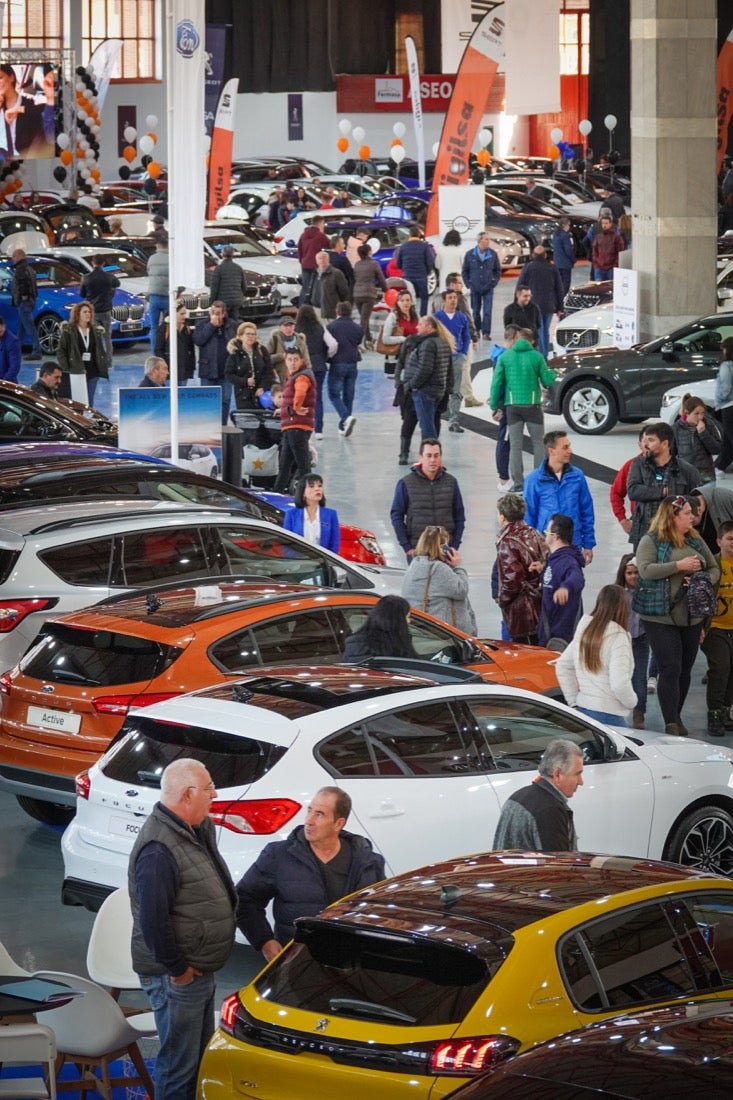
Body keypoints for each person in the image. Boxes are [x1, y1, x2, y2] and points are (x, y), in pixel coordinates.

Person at [129, 758, 237, 1100]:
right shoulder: (159, 850)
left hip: (196, 970)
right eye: (208, 788)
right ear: (189, 794)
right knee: (179, 1068)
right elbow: (153, 921)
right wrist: (179, 971)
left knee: (196, 1061)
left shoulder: (194, 829)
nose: (214, 794)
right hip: (176, 975)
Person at [236, 786, 386, 960]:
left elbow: (381, 912)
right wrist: (264, 941)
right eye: (309, 811)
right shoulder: (278, 855)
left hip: (351, 964)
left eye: (319, 814)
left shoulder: (368, 862)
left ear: (339, 823)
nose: (309, 821)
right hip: (296, 964)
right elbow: (245, 900)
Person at [636, 496, 719, 736]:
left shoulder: (695, 538)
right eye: (686, 513)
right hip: (659, 616)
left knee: (685, 668)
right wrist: (678, 566)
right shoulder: (651, 540)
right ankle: (670, 722)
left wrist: (701, 579)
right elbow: (645, 570)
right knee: (670, 667)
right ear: (672, 516)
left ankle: (677, 715)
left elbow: (714, 568)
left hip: (692, 616)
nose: (692, 517)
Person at [556, 585, 637, 726]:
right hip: (611, 716)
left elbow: (562, 665)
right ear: (622, 607)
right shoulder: (619, 637)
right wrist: (632, 702)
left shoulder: (585, 630)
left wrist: (573, 702)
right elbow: (619, 684)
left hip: (584, 712)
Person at [489, 326, 558, 492]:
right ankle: (539, 480)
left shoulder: (505, 357)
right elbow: (547, 380)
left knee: (515, 446)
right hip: (533, 405)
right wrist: (554, 373)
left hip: (512, 407)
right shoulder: (537, 356)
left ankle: (518, 483)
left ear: (517, 338)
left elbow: (496, 382)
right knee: (538, 444)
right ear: (532, 340)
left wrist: (493, 405)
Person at [492, 739, 583, 852]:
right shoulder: (550, 810)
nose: (580, 782)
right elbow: (557, 866)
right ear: (557, 774)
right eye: (577, 774)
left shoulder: (518, 796)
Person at [524, 431, 596, 563]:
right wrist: (532, 548)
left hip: (573, 543)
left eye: (569, 446)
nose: (570, 451)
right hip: (546, 546)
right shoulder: (534, 480)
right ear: (551, 451)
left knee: (572, 581)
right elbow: (529, 516)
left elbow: (587, 511)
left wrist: (588, 543)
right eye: (565, 447)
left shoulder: (577, 476)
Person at [627, 421, 700, 549]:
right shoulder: (638, 464)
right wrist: (663, 493)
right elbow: (633, 491)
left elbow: (696, 499)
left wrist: (677, 504)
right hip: (644, 532)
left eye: (651, 440)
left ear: (665, 443)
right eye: (645, 440)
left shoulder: (687, 470)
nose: (645, 444)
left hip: (674, 533)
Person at [390, 437, 465, 559]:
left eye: (436, 455)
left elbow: (459, 516)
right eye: (428, 455)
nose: (433, 460)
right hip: (418, 550)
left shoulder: (451, 482)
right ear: (421, 457)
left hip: (445, 550)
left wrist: (454, 545)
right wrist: (407, 547)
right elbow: (396, 515)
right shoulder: (406, 483)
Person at [401, 524, 475, 635]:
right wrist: (458, 566)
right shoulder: (438, 568)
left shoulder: (415, 564)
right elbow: (461, 590)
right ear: (441, 547)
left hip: (423, 629)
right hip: (443, 632)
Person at [494, 493, 546, 644]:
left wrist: (502, 600)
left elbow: (512, 580)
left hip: (522, 611)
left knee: (525, 650)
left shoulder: (507, 542)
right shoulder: (535, 534)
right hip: (540, 603)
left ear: (502, 517)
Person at [537, 513, 586, 648]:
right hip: (549, 631)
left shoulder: (569, 561)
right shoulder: (554, 559)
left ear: (556, 536)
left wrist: (566, 587)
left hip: (561, 638)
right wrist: (542, 569)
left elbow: (577, 577)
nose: (544, 535)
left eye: (547, 532)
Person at [702, 521, 733, 735]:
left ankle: (725, 711)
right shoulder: (712, 566)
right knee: (720, 668)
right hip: (716, 627)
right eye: (730, 539)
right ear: (719, 541)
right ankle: (714, 714)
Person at [401, 315, 452, 441]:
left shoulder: (427, 344)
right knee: (431, 424)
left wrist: (411, 385)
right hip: (438, 390)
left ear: (429, 327)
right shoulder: (443, 342)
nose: (417, 327)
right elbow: (449, 369)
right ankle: (429, 455)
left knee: (427, 428)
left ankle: (431, 456)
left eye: (421, 324)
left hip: (425, 391)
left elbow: (425, 369)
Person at [273, 348, 316, 493]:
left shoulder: (301, 377)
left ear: (302, 361)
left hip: (297, 426)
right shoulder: (294, 376)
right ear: (285, 361)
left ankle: (311, 495)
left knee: (303, 465)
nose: (292, 363)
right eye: (290, 360)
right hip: (292, 425)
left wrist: (296, 407)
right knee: (284, 465)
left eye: (295, 359)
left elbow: (300, 393)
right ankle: (277, 494)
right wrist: (284, 409)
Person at [615, 554, 650, 730]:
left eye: (636, 573)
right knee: (619, 676)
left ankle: (639, 712)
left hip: (641, 640)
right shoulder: (619, 594)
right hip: (621, 640)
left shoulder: (646, 592)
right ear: (623, 574)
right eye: (629, 573)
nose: (633, 576)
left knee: (639, 679)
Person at [295, 303, 336, 439]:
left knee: (300, 397)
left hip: (301, 369)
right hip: (319, 367)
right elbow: (333, 344)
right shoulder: (320, 328)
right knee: (317, 398)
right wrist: (326, 356)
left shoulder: (296, 330)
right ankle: (319, 430)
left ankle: (302, 427)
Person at [515, 246, 564, 358]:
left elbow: (520, 286)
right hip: (549, 305)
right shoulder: (552, 268)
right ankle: (544, 354)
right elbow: (559, 288)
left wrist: (518, 303)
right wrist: (560, 307)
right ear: (545, 255)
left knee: (539, 330)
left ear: (533, 255)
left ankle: (541, 356)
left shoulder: (528, 268)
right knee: (544, 330)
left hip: (533, 305)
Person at [434, 287, 471, 433]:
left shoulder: (462, 317)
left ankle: (454, 420)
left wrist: (463, 352)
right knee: (439, 389)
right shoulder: (437, 317)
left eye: (455, 298)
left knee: (456, 390)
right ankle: (434, 417)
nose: (453, 300)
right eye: (450, 298)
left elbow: (466, 336)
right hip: (441, 359)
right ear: (444, 300)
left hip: (457, 358)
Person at [193, 300, 237, 425]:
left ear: (223, 314)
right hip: (207, 370)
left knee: (225, 400)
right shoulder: (202, 324)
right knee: (207, 401)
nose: (215, 316)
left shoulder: (232, 325)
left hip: (226, 371)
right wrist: (211, 326)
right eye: (212, 312)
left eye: (218, 313)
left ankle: (222, 426)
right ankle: (207, 426)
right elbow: (199, 340)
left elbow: (235, 343)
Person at [56, 300, 108, 405]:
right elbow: (61, 350)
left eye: (89, 312)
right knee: (77, 401)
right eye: (85, 312)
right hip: (76, 370)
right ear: (77, 314)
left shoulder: (95, 331)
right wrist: (66, 368)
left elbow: (99, 350)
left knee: (89, 401)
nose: (88, 314)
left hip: (92, 371)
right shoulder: (69, 330)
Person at [342, 595, 419, 661]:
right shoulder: (399, 645)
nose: (409, 621)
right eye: (408, 617)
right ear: (398, 619)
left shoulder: (354, 642)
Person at [326, 300, 363, 437]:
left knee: (334, 394)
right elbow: (358, 341)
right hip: (353, 364)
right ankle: (344, 425)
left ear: (337, 312)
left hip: (337, 364)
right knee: (349, 395)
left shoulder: (331, 327)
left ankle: (346, 417)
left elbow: (328, 344)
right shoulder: (357, 328)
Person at [0, 64, 53, 158]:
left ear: (11, 77)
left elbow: (47, 107)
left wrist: (19, 109)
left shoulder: (31, 101)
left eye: (0, 77)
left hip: (24, 157)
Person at [281, 473, 340, 553]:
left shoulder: (331, 515)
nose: (317, 489)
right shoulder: (291, 515)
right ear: (303, 493)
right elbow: (286, 544)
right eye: (312, 486)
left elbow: (334, 545)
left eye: (319, 486)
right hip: (298, 562)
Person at [224, 321, 274, 410]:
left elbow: (269, 371)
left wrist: (262, 387)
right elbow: (229, 375)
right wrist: (245, 381)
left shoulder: (262, 350)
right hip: (243, 395)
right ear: (240, 336)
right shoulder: (234, 353)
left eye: (253, 334)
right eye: (248, 334)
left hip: (261, 394)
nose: (251, 336)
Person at [80, 254, 119, 366]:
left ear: (92, 263)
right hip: (106, 311)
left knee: (94, 337)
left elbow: (82, 294)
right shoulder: (110, 277)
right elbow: (117, 284)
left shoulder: (86, 277)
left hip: (92, 312)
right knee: (107, 338)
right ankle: (108, 362)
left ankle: (96, 360)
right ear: (103, 263)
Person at [672, 393, 721, 484]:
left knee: (706, 498)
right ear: (687, 413)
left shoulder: (708, 424)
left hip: (706, 476)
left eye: (702, 413)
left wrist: (703, 433)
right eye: (696, 413)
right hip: (685, 476)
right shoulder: (676, 428)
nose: (700, 417)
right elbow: (671, 453)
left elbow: (717, 449)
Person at [461, 230, 501, 340]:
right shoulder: (470, 254)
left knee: (487, 312)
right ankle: (477, 331)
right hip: (475, 287)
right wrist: (468, 284)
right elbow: (465, 270)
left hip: (488, 287)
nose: (488, 241)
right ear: (479, 241)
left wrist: (494, 282)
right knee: (476, 311)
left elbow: (497, 270)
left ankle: (486, 333)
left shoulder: (492, 254)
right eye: (486, 239)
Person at [352, 242, 387, 347]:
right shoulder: (374, 264)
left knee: (364, 317)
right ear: (369, 252)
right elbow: (381, 279)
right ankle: (357, 342)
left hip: (357, 294)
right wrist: (386, 290)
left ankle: (368, 339)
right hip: (369, 294)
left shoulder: (357, 265)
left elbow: (355, 278)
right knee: (364, 319)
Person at [10, 249, 42, 360]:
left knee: (29, 327)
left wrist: (24, 296)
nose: (12, 258)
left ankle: (37, 351)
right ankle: (17, 349)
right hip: (29, 301)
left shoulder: (21, 269)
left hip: (24, 302)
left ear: (20, 256)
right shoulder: (29, 268)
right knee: (22, 327)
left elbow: (24, 283)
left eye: (14, 256)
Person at [154, 300, 196, 386]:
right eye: (181, 314)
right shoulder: (163, 329)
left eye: (185, 314)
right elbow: (158, 350)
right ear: (174, 314)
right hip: (169, 371)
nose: (184, 316)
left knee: (182, 396)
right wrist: (164, 367)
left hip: (184, 370)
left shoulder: (187, 329)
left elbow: (191, 350)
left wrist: (191, 366)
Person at [395, 228, 435, 315]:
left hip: (408, 277)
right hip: (421, 276)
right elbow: (430, 261)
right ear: (419, 235)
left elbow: (398, 263)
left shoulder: (403, 247)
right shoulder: (425, 246)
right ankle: (423, 316)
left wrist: (405, 270)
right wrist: (426, 272)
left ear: (409, 235)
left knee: (409, 297)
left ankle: (410, 316)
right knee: (424, 297)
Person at [267, 314, 311, 385]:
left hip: (298, 378)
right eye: (286, 326)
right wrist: (280, 356)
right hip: (280, 379)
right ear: (280, 327)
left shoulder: (300, 340)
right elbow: (266, 358)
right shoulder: (274, 340)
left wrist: (308, 376)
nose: (289, 328)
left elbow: (306, 361)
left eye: (291, 326)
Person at [297, 215, 331, 304]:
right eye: (323, 223)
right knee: (315, 287)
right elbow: (330, 245)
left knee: (305, 287)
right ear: (319, 223)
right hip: (316, 264)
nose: (323, 225)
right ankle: (313, 306)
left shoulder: (303, 235)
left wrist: (302, 260)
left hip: (304, 264)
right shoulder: (320, 235)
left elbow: (299, 249)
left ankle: (302, 306)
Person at [209, 245, 247, 322]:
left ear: (222, 254)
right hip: (236, 301)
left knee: (224, 322)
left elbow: (214, 287)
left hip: (223, 302)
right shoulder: (238, 268)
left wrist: (212, 302)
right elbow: (244, 286)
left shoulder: (219, 269)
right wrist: (239, 296)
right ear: (233, 254)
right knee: (234, 322)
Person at [146, 229, 170, 349]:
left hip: (154, 296)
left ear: (158, 245)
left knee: (154, 327)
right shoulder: (172, 259)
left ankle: (154, 352)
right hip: (168, 296)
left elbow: (149, 272)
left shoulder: (152, 258)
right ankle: (167, 351)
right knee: (169, 326)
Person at [310, 250, 350, 321]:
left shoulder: (336, 273)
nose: (322, 260)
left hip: (331, 310)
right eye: (320, 258)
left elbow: (344, 292)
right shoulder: (314, 273)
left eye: (324, 258)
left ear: (328, 259)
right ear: (316, 261)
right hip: (316, 308)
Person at [715, 336, 733, 477]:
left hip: (728, 406)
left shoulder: (726, 366)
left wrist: (719, 400)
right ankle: (720, 466)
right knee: (727, 438)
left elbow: (726, 388)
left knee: (729, 437)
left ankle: (720, 466)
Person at [591, 213, 625, 279]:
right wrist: (596, 263)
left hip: (611, 267)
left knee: (610, 287)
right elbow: (594, 250)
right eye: (603, 223)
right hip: (599, 266)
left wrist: (615, 265)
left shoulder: (616, 237)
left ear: (610, 224)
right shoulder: (598, 236)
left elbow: (620, 252)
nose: (604, 225)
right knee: (598, 287)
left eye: (606, 223)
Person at [551, 216, 576, 297]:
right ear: (564, 225)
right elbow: (568, 250)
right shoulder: (565, 236)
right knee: (566, 282)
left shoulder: (555, 234)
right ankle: (563, 297)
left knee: (559, 281)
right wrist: (573, 259)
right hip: (565, 263)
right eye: (569, 225)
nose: (569, 227)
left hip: (557, 262)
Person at [0, 315, 20, 381]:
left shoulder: (13, 341)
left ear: (4, 326)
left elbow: (14, 367)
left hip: (6, 382)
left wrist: (3, 383)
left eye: (0, 331)